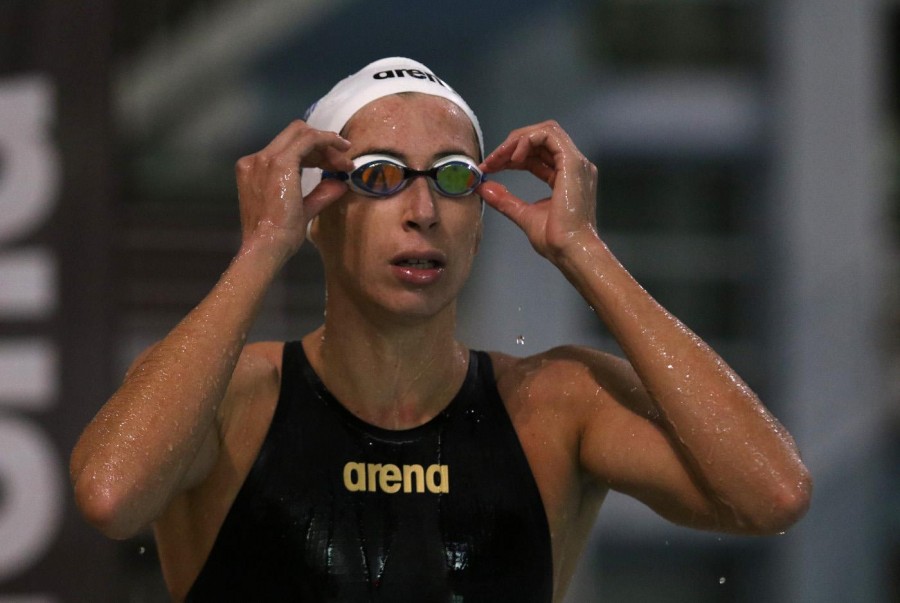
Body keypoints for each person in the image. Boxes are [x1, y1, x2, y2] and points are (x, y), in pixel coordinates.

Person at [70, 57, 812, 602]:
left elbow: (773, 494)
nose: (423, 211)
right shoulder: (236, 398)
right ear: (318, 212)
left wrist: (586, 252)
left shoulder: (554, 407)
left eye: (454, 177)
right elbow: (109, 494)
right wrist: (261, 248)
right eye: (381, 176)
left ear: (479, 223)